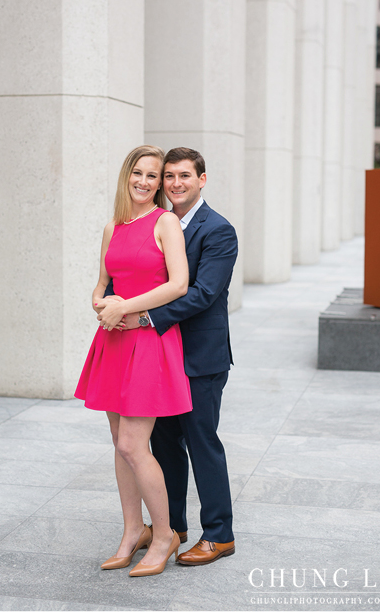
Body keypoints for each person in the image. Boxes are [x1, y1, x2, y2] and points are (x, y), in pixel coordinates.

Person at [117, 147, 238, 566]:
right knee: (164, 445)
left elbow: (203, 294)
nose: (175, 184)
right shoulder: (159, 223)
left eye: (184, 176)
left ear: (202, 179)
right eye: (169, 176)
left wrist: (145, 317)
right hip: (161, 357)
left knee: (202, 443)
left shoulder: (218, 230)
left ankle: (220, 534)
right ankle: (174, 528)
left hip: (200, 357)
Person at [75, 144, 191, 577]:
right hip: (113, 342)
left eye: (154, 176)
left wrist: (126, 307)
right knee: (119, 446)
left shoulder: (166, 222)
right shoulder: (112, 227)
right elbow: (101, 285)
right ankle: (131, 531)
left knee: (132, 445)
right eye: (138, 173)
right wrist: (101, 303)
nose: (145, 182)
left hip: (148, 342)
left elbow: (178, 284)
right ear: (127, 176)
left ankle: (164, 535)